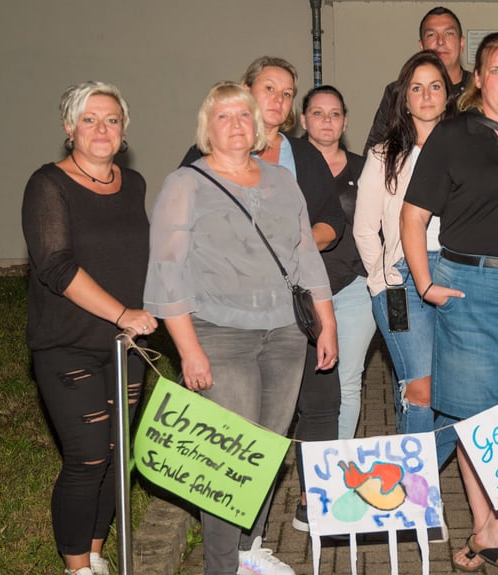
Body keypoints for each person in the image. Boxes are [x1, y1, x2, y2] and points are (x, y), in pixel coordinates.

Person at [145, 82, 337, 575]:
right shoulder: (184, 184)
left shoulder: (281, 180)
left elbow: (305, 255)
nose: (235, 124)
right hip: (219, 334)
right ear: (207, 128)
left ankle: (251, 551)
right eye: (223, 116)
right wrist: (188, 350)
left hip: (285, 335)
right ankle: (222, 565)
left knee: (269, 448)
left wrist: (327, 323)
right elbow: (167, 272)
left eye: (243, 116)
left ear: (257, 126)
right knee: (228, 457)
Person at [401, 32, 498, 575]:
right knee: (476, 414)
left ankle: (492, 534)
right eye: (497, 69)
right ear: (477, 78)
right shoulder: (452, 135)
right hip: (471, 286)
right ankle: (496, 535)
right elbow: (413, 216)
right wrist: (424, 284)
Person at [179, 57, 347, 539]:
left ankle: (299, 513)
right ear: (246, 91)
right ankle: (233, 549)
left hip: (292, 309)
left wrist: (290, 247)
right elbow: (182, 239)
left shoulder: (302, 156)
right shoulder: (202, 155)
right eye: (269, 88)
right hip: (226, 317)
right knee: (237, 435)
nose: (278, 99)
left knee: (304, 411)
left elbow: (330, 223)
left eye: (287, 92)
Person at [22, 81, 155, 575]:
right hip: (68, 344)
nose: (102, 129)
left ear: (123, 131)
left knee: (118, 458)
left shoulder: (134, 183)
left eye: (112, 120)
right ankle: (76, 568)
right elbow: (55, 266)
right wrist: (122, 312)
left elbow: (139, 256)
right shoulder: (47, 185)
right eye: (89, 119)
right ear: (68, 128)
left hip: (124, 348)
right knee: (88, 458)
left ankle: (96, 554)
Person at [353, 50, 455, 468]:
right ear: (404, 98)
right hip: (401, 283)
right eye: (417, 87)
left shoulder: (466, 152)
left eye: (435, 86)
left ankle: (405, 475)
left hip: (455, 274)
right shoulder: (383, 155)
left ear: (447, 96)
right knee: (421, 389)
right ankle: (415, 495)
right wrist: (382, 282)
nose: (426, 95)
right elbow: (363, 228)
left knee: (457, 396)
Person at [290, 85, 378, 533]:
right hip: (296, 292)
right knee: (299, 390)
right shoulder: (286, 164)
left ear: (345, 122)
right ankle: (301, 477)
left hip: (351, 288)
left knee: (344, 378)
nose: (326, 121)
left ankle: (330, 484)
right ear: (303, 119)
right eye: (317, 113)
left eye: (335, 114)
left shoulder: (365, 170)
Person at [363, 6, 473, 153]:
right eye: (431, 35)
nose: (440, 42)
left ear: (462, 43)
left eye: (449, 33)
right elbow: (374, 151)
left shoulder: (480, 89)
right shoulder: (398, 91)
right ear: (421, 46)